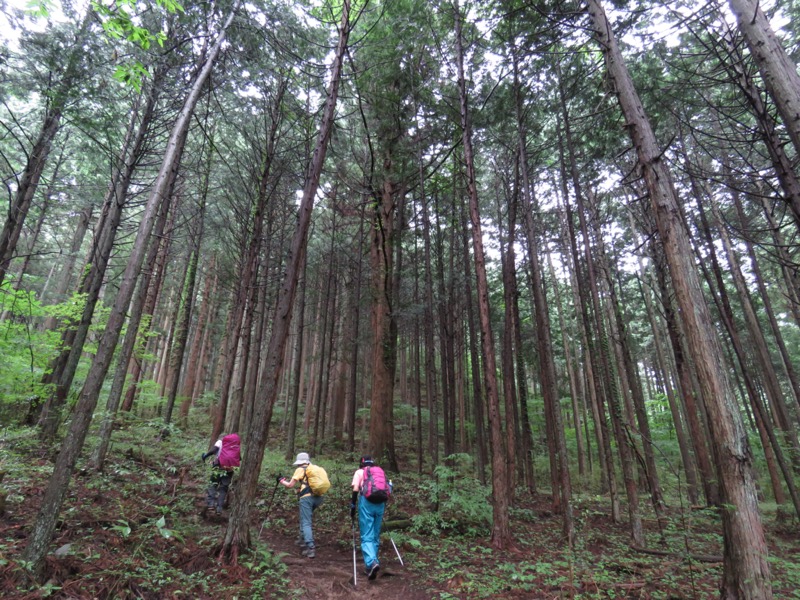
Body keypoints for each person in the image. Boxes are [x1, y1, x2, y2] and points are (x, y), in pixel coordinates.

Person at [350, 455, 391, 580]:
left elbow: (356, 488)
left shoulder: (359, 472)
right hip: (380, 504)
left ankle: (372, 563)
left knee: (367, 534)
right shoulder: (379, 472)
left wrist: (353, 505)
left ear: (361, 463)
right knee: (375, 533)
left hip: (366, 503)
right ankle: (373, 563)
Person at [278, 452, 324, 558]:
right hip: (319, 497)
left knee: (306, 522)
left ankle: (310, 547)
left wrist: (281, 481)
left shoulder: (300, 469)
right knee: (305, 519)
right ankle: (302, 540)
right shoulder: (314, 468)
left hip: (307, 498)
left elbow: (290, 485)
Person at [201, 435, 236, 515]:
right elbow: (239, 458)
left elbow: (214, 450)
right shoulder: (234, 445)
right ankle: (219, 508)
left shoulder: (220, 442)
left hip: (218, 467)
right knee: (223, 489)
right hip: (229, 470)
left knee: (213, 484)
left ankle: (211, 504)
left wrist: (205, 456)